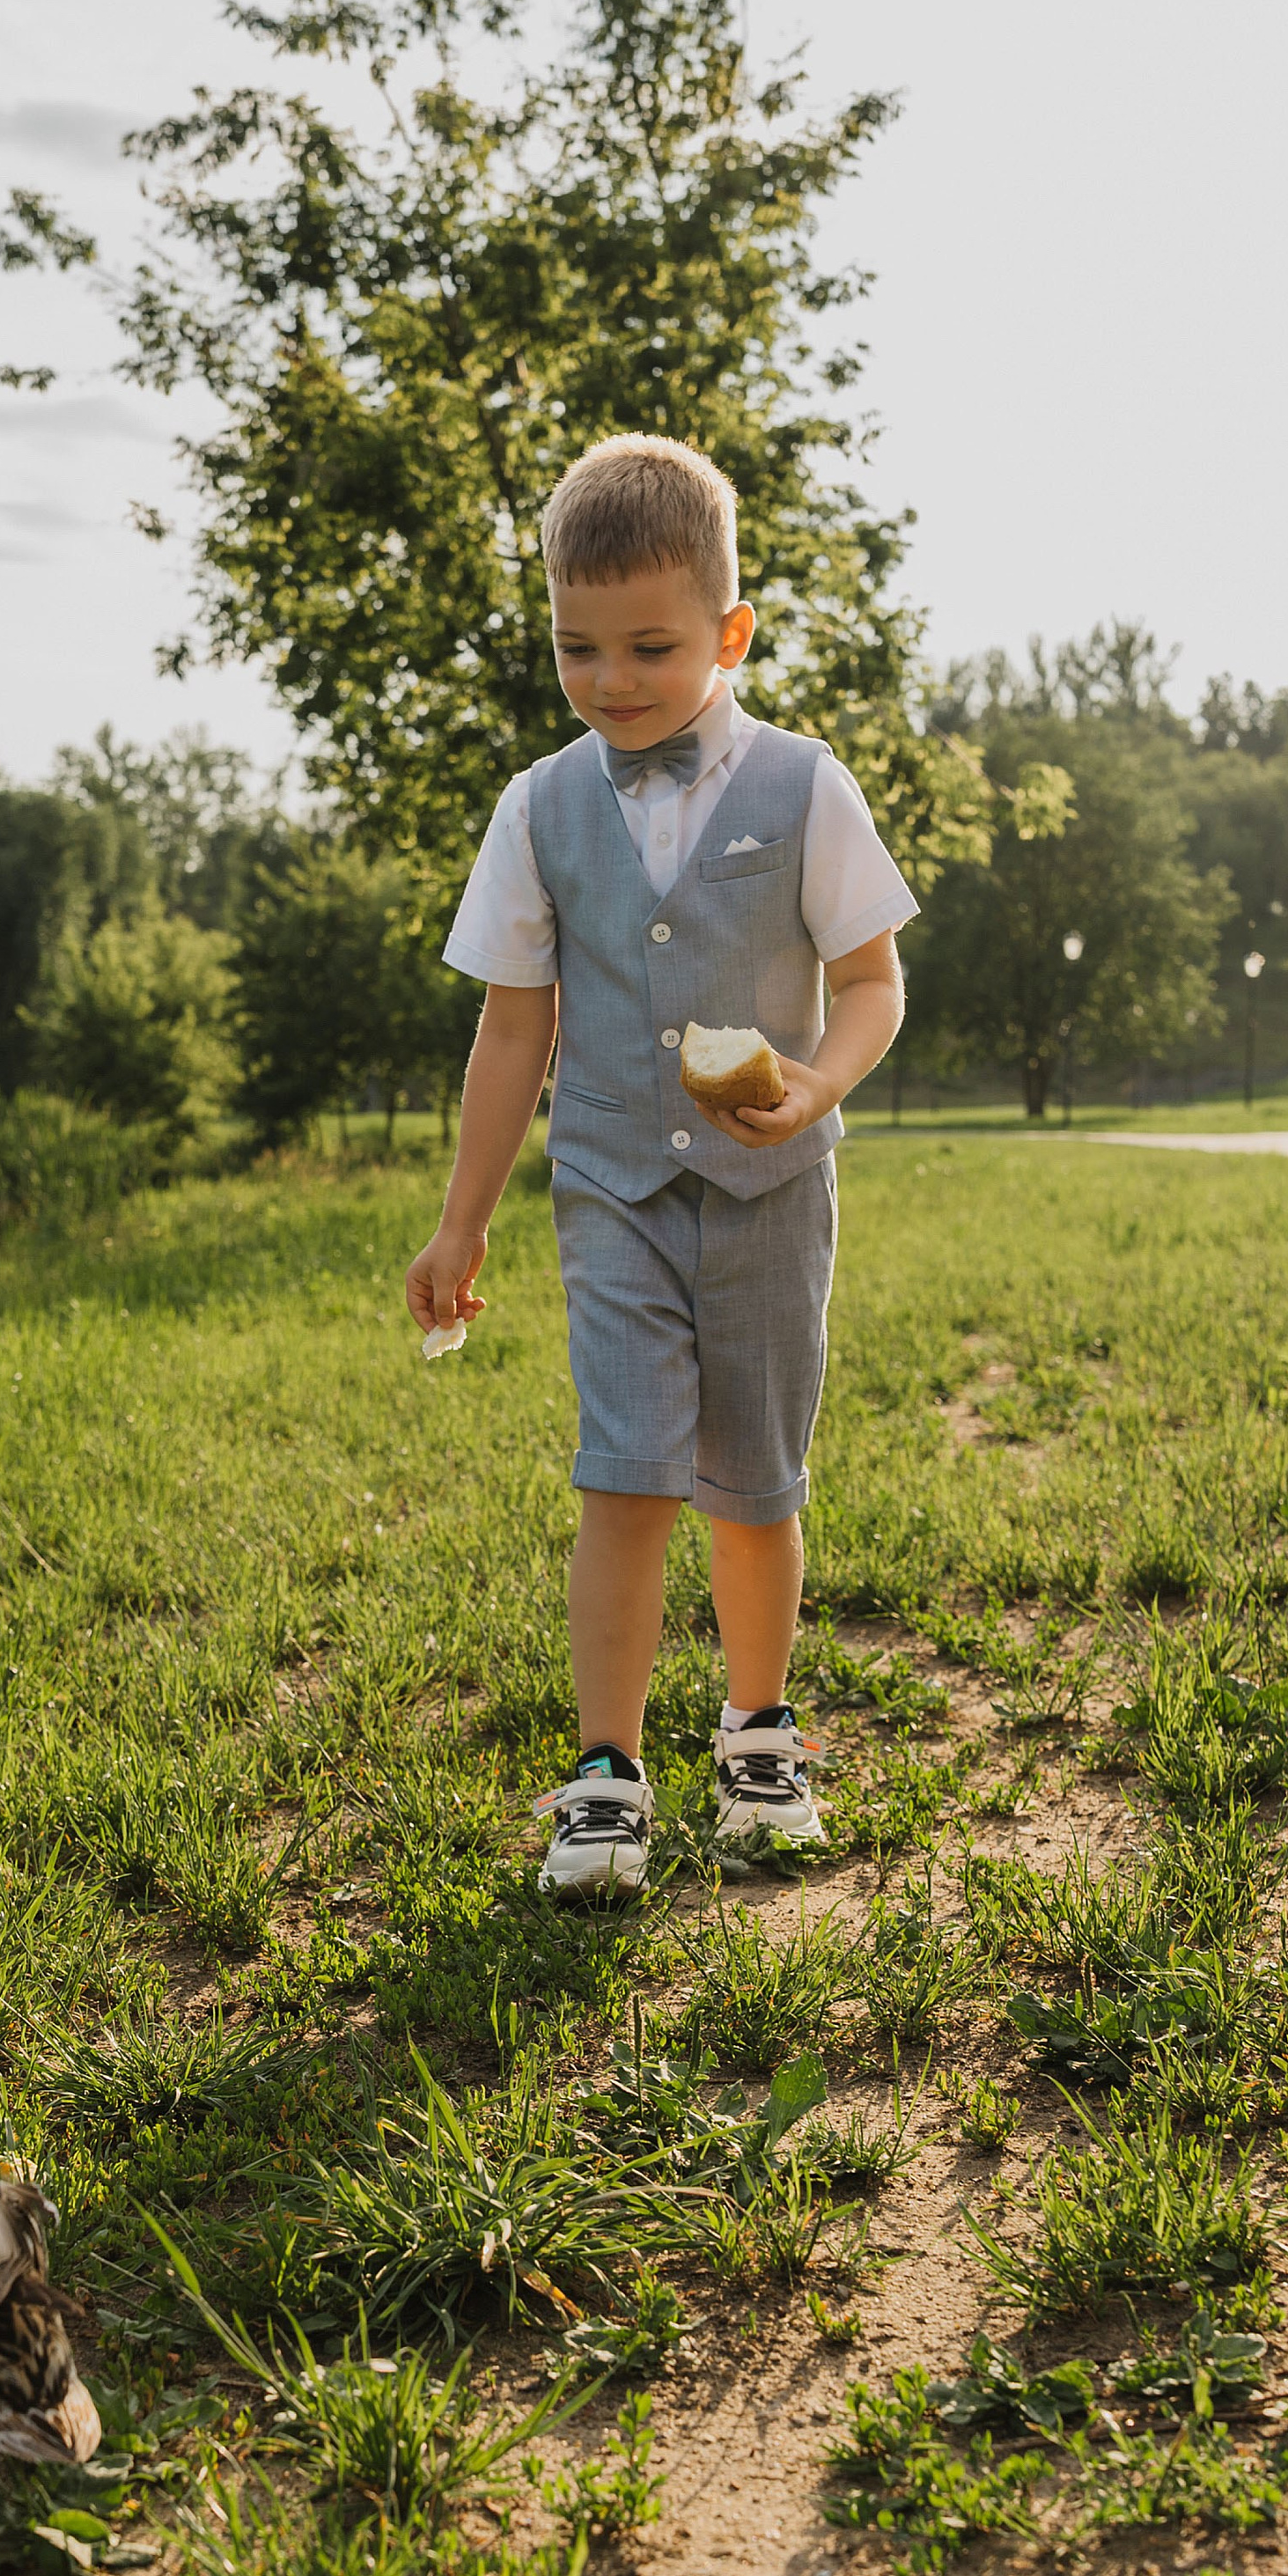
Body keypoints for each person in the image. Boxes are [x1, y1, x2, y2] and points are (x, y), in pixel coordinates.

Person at [403, 433, 914, 1898]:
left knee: (753, 1484)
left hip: (771, 1195)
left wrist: (818, 1079)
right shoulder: (538, 808)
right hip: (611, 1188)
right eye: (579, 647)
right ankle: (606, 1776)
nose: (612, 680)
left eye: (650, 647)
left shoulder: (806, 787)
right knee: (624, 1474)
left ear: (729, 635)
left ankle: (759, 1739)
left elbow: (872, 984)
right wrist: (461, 1223)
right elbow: (515, 1030)